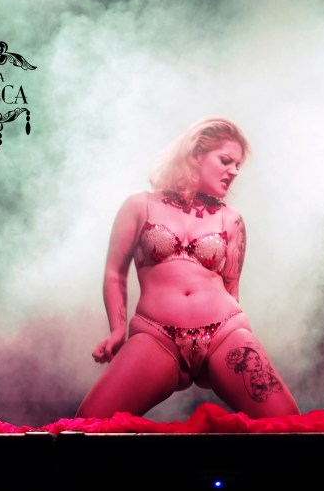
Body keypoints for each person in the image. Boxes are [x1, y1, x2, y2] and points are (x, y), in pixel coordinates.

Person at [75, 117, 300, 420]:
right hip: (157, 336)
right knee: (87, 424)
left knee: (291, 425)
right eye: (226, 160)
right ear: (195, 154)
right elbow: (115, 273)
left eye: (237, 166)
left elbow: (232, 289)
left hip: (224, 332)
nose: (234, 171)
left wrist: (239, 343)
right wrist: (117, 330)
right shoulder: (140, 205)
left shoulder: (231, 219)